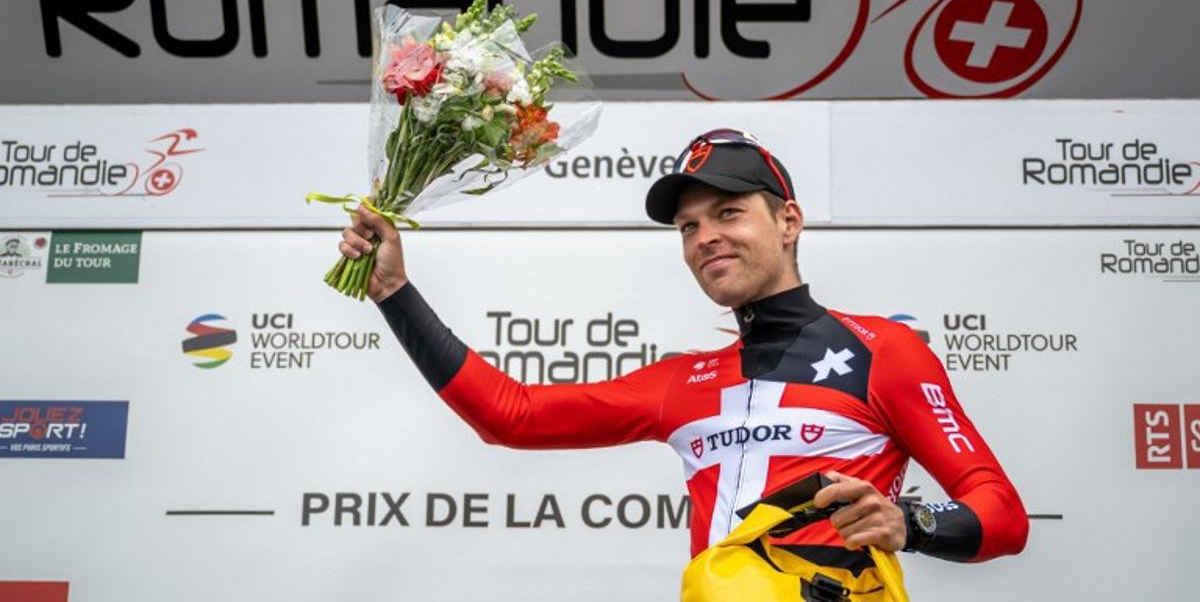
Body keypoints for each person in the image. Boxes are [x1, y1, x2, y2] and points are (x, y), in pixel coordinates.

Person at [339, 128, 1028, 584]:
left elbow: (1001, 513)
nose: (705, 238)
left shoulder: (882, 350)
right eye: (688, 226)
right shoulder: (683, 383)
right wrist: (395, 290)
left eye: (728, 213)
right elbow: (510, 416)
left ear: (788, 221)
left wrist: (910, 524)